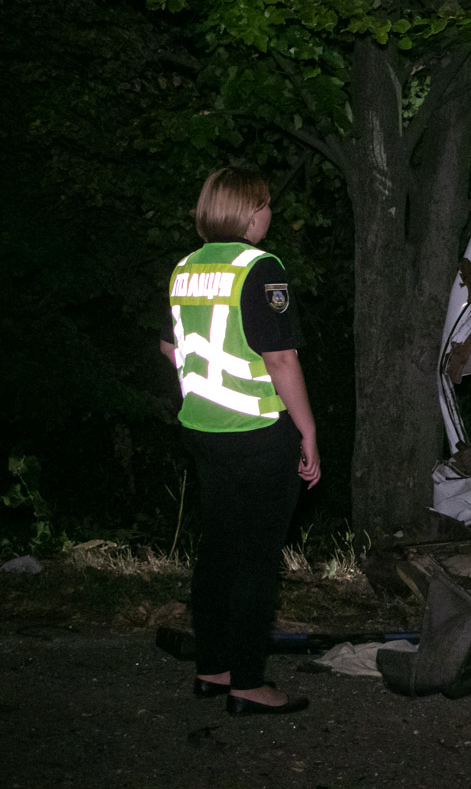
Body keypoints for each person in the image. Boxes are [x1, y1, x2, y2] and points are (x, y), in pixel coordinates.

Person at [160, 166, 320, 715]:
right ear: (249, 212)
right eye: (265, 205)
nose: (268, 214)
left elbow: (171, 348)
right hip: (258, 431)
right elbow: (280, 357)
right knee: (255, 558)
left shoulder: (186, 269)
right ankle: (248, 683)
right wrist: (308, 430)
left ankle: (213, 667)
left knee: (219, 550)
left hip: (203, 430)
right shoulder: (260, 268)